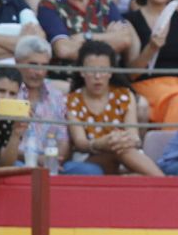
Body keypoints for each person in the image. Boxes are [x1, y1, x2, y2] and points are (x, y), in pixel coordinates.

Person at [1, 34, 106, 173]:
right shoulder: (8, 93)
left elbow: (63, 139)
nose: (39, 72)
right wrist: (38, 159)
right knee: (19, 170)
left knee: (91, 171)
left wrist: (53, 160)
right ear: (17, 62)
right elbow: (0, 147)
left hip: (52, 162)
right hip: (18, 162)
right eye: (33, 65)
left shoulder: (56, 96)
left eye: (44, 65)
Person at [64, 38, 163, 175]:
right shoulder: (72, 100)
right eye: (91, 70)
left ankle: (161, 182)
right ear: (81, 72)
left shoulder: (124, 95)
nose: (97, 76)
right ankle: (164, 182)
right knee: (118, 150)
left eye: (103, 70)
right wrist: (101, 143)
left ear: (111, 72)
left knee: (122, 153)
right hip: (89, 158)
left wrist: (118, 141)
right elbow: (80, 142)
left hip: (125, 152)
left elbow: (134, 137)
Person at [37, 0, 136, 67]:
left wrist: (86, 37)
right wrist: (109, 38)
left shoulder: (106, 3)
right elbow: (64, 50)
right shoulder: (49, 6)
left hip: (107, 78)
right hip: (68, 80)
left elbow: (125, 40)